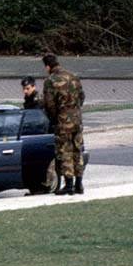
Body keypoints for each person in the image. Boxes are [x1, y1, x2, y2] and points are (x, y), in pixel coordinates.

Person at [42, 53, 85, 195]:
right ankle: (79, 184)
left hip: (63, 121)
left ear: (48, 67)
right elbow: (81, 96)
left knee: (65, 152)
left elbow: (49, 104)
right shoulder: (73, 76)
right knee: (77, 150)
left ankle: (69, 185)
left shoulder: (50, 81)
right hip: (77, 120)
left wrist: (55, 119)